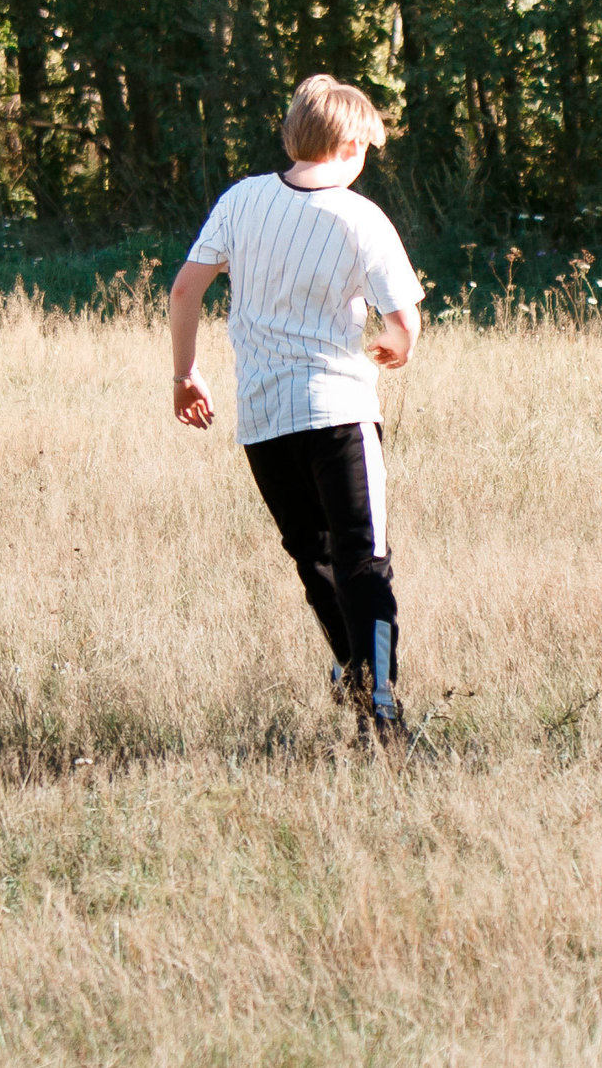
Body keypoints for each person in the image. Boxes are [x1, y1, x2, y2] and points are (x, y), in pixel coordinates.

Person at [168, 75, 425, 749]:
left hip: (263, 420)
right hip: (339, 412)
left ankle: (357, 681)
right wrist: (396, 345)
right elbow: (404, 322)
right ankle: (381, 704)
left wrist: (186, 373)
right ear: (351, 146)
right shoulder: (359, 217)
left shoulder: (241, 200)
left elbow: (186, 289)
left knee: (315, 557)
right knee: (364, 557)